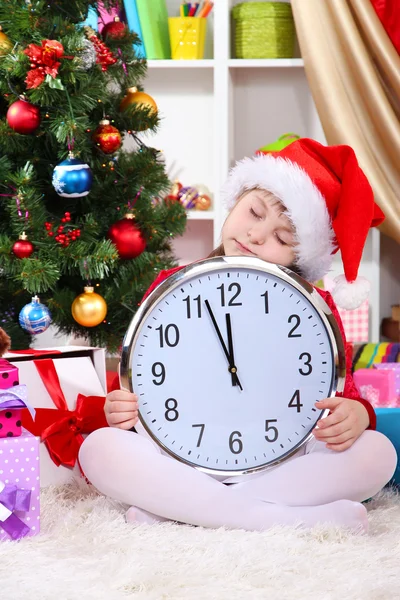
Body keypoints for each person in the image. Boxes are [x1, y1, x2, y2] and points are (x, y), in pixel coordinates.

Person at [79, 139, 397, 534]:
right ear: (236, 200)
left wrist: (357, 415)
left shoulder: (317, 308)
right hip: (182, 458)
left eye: (283, 239)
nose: (258, 235)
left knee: (378, 453)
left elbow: (342, 394)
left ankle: (181, 511)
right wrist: (120, 411)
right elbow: (137, 380)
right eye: (254, 213)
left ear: (300, 257)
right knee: (98, 448)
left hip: (281, 462)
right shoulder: (172, 285)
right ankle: (273, 518)